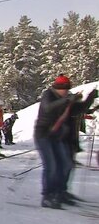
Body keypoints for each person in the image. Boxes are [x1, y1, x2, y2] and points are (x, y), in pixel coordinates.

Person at [34, 75, 97, 208]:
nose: (65, 91)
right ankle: (48, 195)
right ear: (56, 87)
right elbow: (48, 108)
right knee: (51, 165)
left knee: (66, 164)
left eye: (67, 88)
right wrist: (68, 100)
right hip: (44, 134)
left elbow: (79, 109)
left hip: (58, 136)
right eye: (62, 88)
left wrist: (90, 98)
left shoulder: (66, 99)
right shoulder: (48, 95)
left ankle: (60, 192)